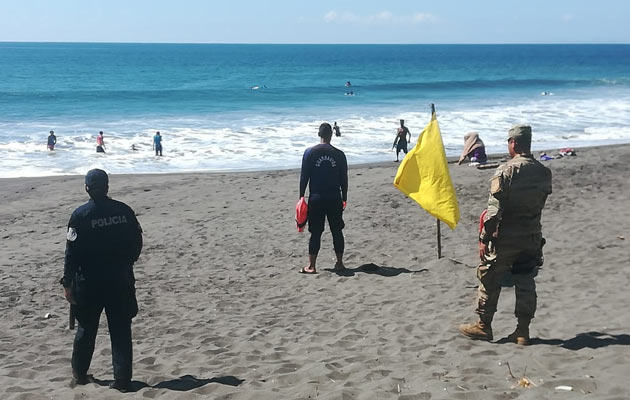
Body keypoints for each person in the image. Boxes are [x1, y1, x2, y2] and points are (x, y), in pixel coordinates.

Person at [459, 125, 552, 346]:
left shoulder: (506, 171)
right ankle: (522, 331)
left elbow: (493, 212)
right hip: (531, 235)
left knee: (489, 279)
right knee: (526, 281)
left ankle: (483, 326)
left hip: (506, 237)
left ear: (513, 143)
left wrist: (485, 238)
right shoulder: (543, 171)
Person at [60, 169, 143, 392]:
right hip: (120, 280)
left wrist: (67, 283)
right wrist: (126, 263)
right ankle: (123, 380)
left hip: (89, 283)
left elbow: (71, 253)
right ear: (107, 187)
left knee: (86, 330)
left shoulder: (80, 215)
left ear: (87, 188)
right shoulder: (123, 212)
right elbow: (137, 243)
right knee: (121, 330)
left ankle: (79, 374)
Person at [299, 123, 348, 274]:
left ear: (318, 134)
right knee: (337, 231)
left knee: (316, 232)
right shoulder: (339, 154)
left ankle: (312, 266)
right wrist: (344, 197)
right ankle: (339, 263)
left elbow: (304, 177)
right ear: (331, 135)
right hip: (334, 197)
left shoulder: (309, 153)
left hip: (316, 198)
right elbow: (344, 179)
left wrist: (301, 197)